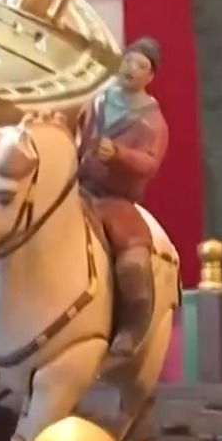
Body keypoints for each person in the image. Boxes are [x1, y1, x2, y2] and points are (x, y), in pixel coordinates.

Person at [76, 37, 169, 357]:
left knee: (132, 262)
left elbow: (150, 163)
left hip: (116, 199)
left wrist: (119, 154)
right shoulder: (97, 102)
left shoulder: (152, 121)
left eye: (141, 66)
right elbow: (76, 131)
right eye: (129, 60)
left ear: (150, 77)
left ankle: (133, 323)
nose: (131, 68)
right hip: (79, 187)